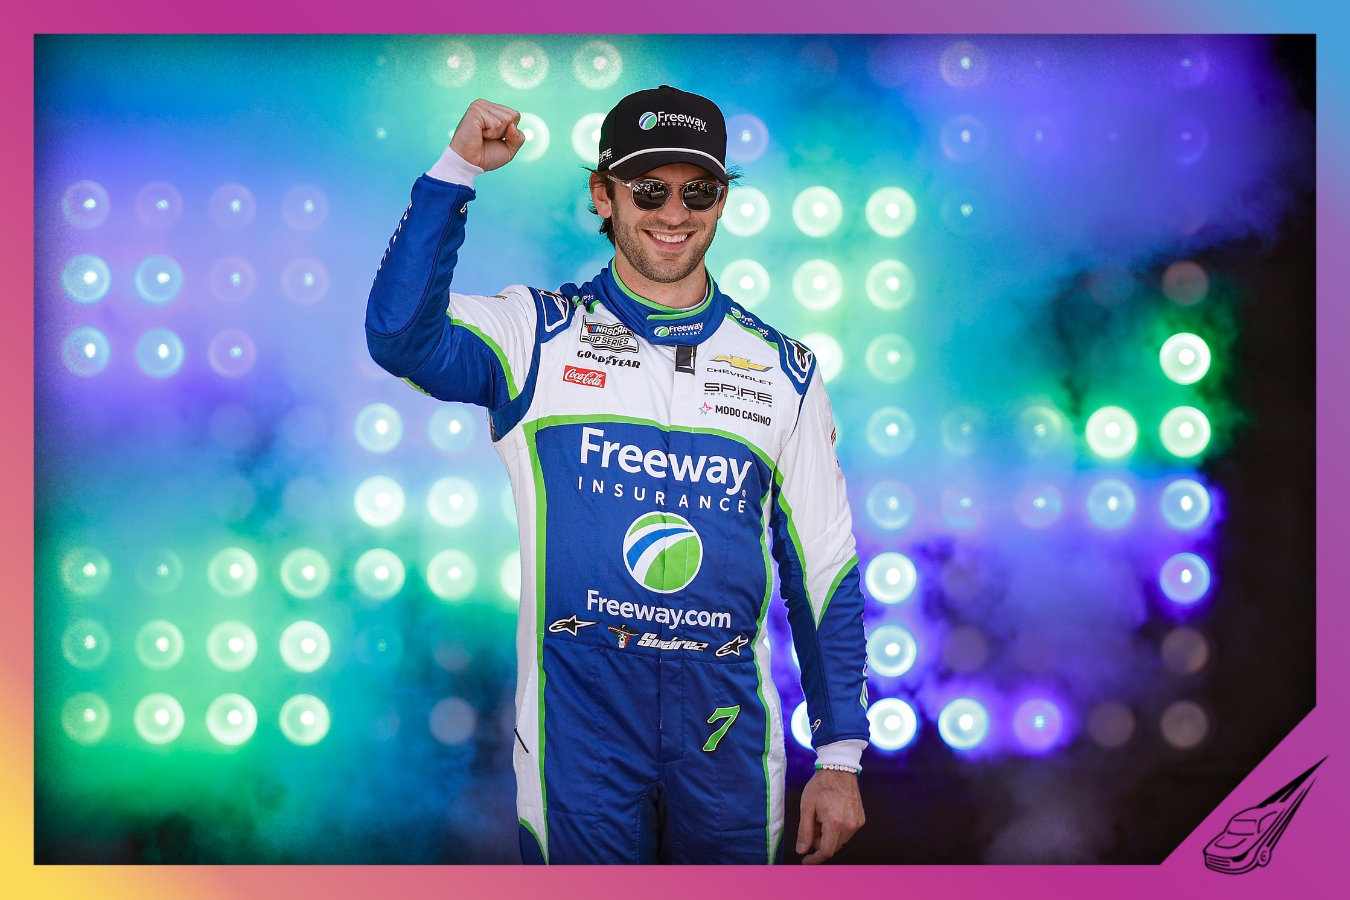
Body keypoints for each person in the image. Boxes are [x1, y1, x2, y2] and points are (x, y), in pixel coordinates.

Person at [366, 86, 868, 865]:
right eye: (649, 189)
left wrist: (839, 757)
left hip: (726, 740)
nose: (675, 211)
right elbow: (399, 335)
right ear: (603, 194)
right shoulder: (537, 335)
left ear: (723, 200)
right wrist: (458, 167)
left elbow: (825, 573)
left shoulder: (785, 371)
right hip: (581, 736)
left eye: (699, 190)